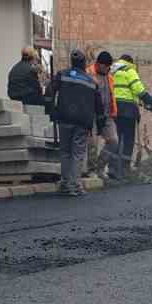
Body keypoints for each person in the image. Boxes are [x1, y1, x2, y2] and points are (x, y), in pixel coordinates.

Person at [44, 50, 103, 197]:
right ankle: (75, 185)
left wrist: (50, 110)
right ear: (83, 63)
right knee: (77, 153)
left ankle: (65, 183)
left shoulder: (62, 75)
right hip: (82, 122)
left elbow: (49, 92)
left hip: (64, 118)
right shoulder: (91, 82)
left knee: (65, 151)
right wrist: (99, 127)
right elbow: (99, 107)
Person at [111, 53, 147, 174]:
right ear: (130, 62)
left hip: (114, 110)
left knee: (116, 139)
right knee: (128, 140)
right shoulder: (129, 70)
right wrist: (150, 101)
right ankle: (125, 168)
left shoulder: (112, 71)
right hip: (128, 111)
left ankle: (113, 167)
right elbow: (139, 89)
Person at [91, 52, 119, 179]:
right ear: (99, 64)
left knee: (113, 141)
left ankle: (100, 167)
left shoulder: (109, 77)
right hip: (92, 114)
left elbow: (111, 95)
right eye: (106, 66)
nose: (108, 69)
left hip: (107, 115)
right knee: (92, 143)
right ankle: (90, 171)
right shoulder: (89, 74)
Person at [7, 48, 47, 136]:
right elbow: (38, 90)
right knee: (47, 103)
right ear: (33, 58)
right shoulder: (31, 70)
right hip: (27, 100)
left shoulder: (14, 68)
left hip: (14, 99)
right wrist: (41, 79)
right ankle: (44, 132)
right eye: (36, 59)